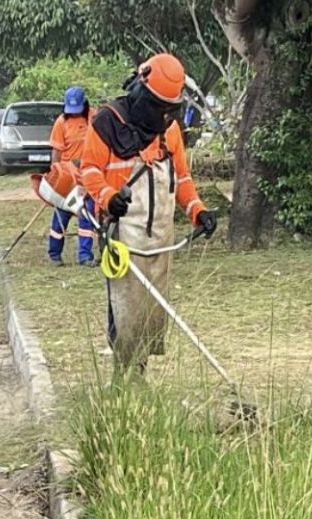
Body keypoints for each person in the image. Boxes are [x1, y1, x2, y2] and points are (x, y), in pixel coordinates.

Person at [81, 53, 217, 369]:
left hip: (161, 238)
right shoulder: (107, 122)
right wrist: (107, 196)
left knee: (153, 314)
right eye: (158, 107)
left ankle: (139, 374)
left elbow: (181, 178)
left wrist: (198, 210)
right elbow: (88, 169)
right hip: (122, 237)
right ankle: (122, 377)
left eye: (170, 109)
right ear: (142, 91)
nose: (164, 116)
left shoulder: (169, 130)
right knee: (126, 310)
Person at [46, 87, 97, 267]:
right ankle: (54, 254)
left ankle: (85, 256)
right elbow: (56, 152)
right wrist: (55, 175)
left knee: (88, 215)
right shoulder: (61, 122)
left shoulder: (94, 117)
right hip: (69, 178)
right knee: (62, 215)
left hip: (89, 176)